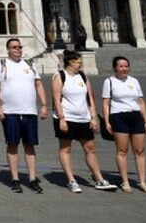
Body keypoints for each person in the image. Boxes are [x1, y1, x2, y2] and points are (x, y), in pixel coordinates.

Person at [53, 50, 117, 193]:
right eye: (78, 61)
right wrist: (61, 118)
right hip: (67, 118)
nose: (80, 63)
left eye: (80, 61)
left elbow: (90, 98)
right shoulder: (59, 76)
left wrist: (93, 117)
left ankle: (99, 179)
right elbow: (57, 99)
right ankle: (71, 180)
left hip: (83, 117)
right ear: (70, 62)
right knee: (66, 148)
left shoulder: (82, 76)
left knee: (90, 148)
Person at [0, 38, 48, 193]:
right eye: (14, 47)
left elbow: (39, 84)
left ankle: (32, 178)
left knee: (30, 145)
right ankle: (15, 179)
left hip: (29, 111)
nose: (17, 49)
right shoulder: (1, 65)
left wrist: (43, 105)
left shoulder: (30, 64)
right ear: (8, 50)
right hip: (10, 112)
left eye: (19, 47)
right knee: (12, 144)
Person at [102, 56, 146, 194]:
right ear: (115, 68)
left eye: (126, 66)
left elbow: (141, 102)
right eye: (121, 66)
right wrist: (107, 122)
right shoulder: (109, 82)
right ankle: (125, 182)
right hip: (118, 116)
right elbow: (106, 103)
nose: (124, 69)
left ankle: (142, 182)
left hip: (136, 116)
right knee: (122, 150)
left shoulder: (134, 81)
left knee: (140, 151)